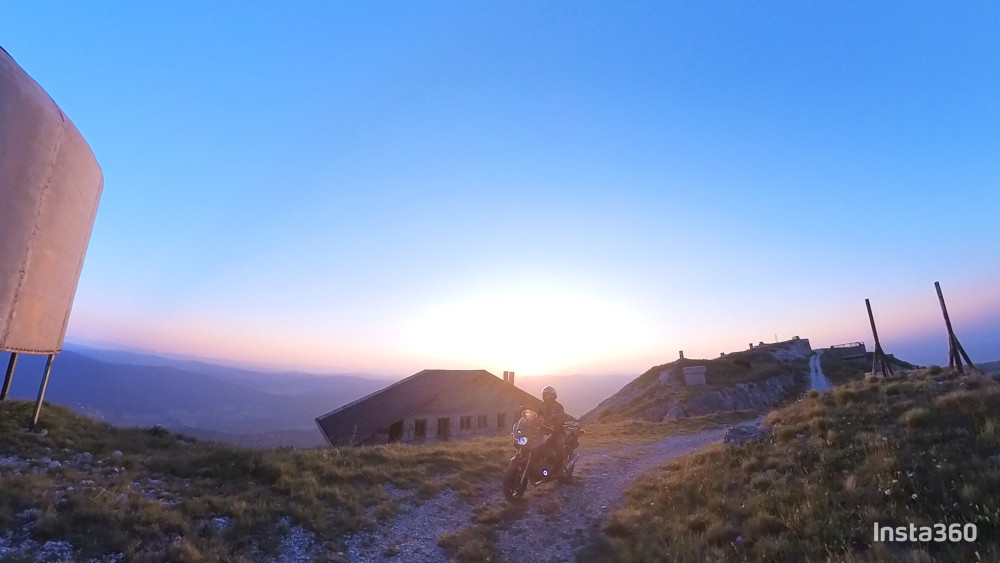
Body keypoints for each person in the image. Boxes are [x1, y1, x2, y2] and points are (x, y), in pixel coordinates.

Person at [538, 385, 570, 471]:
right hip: (545, 430)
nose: (546, 396)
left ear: (553, 396)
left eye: (548, 394)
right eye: (544, 394)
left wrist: (556, 419)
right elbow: (537, 415)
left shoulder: (558, 406)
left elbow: (561, 417)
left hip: (557, 431)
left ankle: (560, 470)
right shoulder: (542, 405)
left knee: (558, 449)